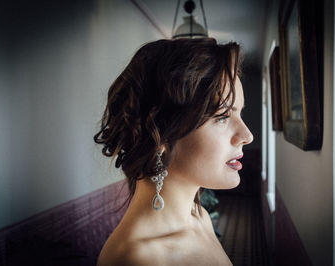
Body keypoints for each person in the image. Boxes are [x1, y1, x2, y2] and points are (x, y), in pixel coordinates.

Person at [94, 38, 253, 265]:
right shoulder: (137, 259)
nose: (247, 136)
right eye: (223, 117)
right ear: (161, 133)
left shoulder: (200, 217)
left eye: (240, 114)